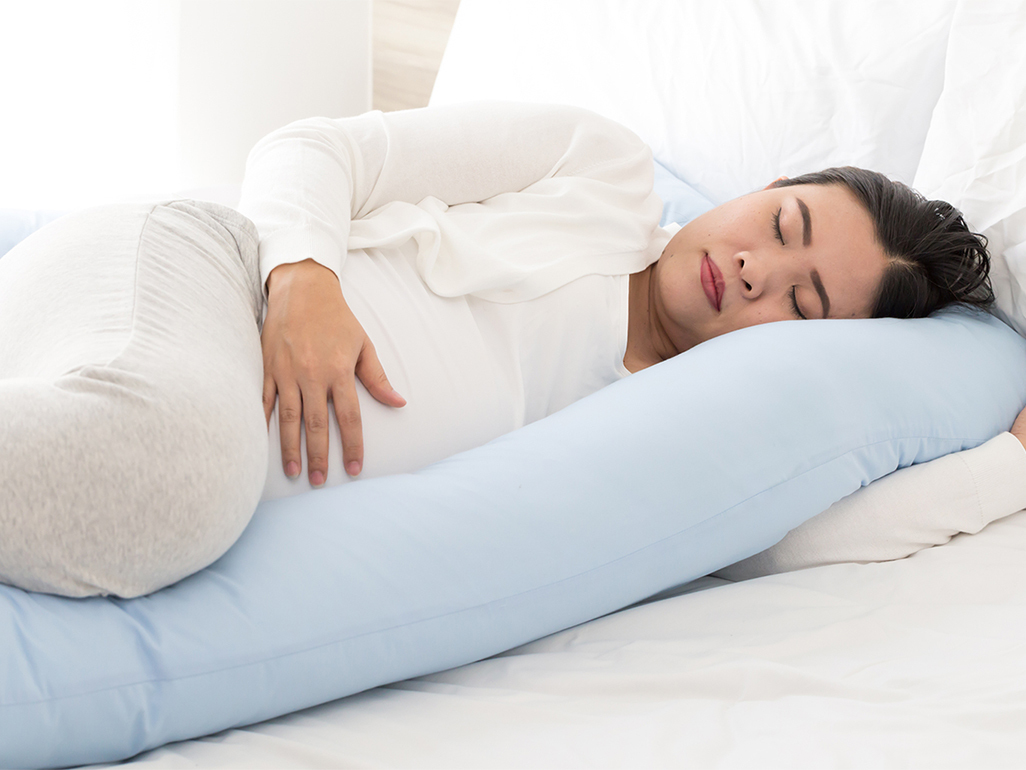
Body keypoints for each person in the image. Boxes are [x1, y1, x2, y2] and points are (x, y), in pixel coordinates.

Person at [237, 101, 999, 502]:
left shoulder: (685, 428)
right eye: (777, 225)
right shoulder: (603, 167)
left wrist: (1014, 462)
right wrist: (304, 281)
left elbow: (809, 538)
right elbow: (313, 150)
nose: (749, 268)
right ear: (764, 190)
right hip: (230, 300)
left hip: (232, 470)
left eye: (801, 304)